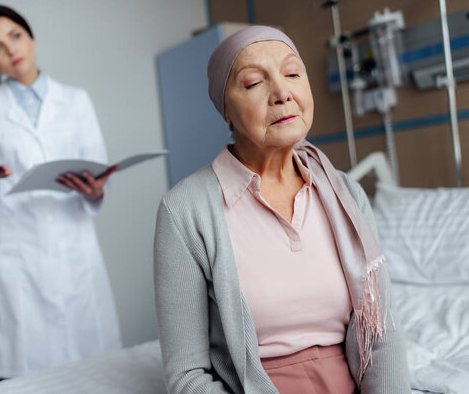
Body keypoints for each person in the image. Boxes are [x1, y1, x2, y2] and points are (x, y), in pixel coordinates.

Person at [154, 26, 410, 393]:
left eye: (292, 74)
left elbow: (382, 336)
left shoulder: (346, 194)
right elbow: (187, 376)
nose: (282, 94)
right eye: (254, 82)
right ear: (225, 109)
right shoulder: (184, 212)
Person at [0, 5, 121, 378]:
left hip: (74, 243)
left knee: (92, 370)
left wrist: (95, 189)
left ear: (30, 38)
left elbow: (100, 172)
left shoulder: (77, 99)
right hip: (17, 248)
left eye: (15, 36)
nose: (11, 50)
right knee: (30, 373)